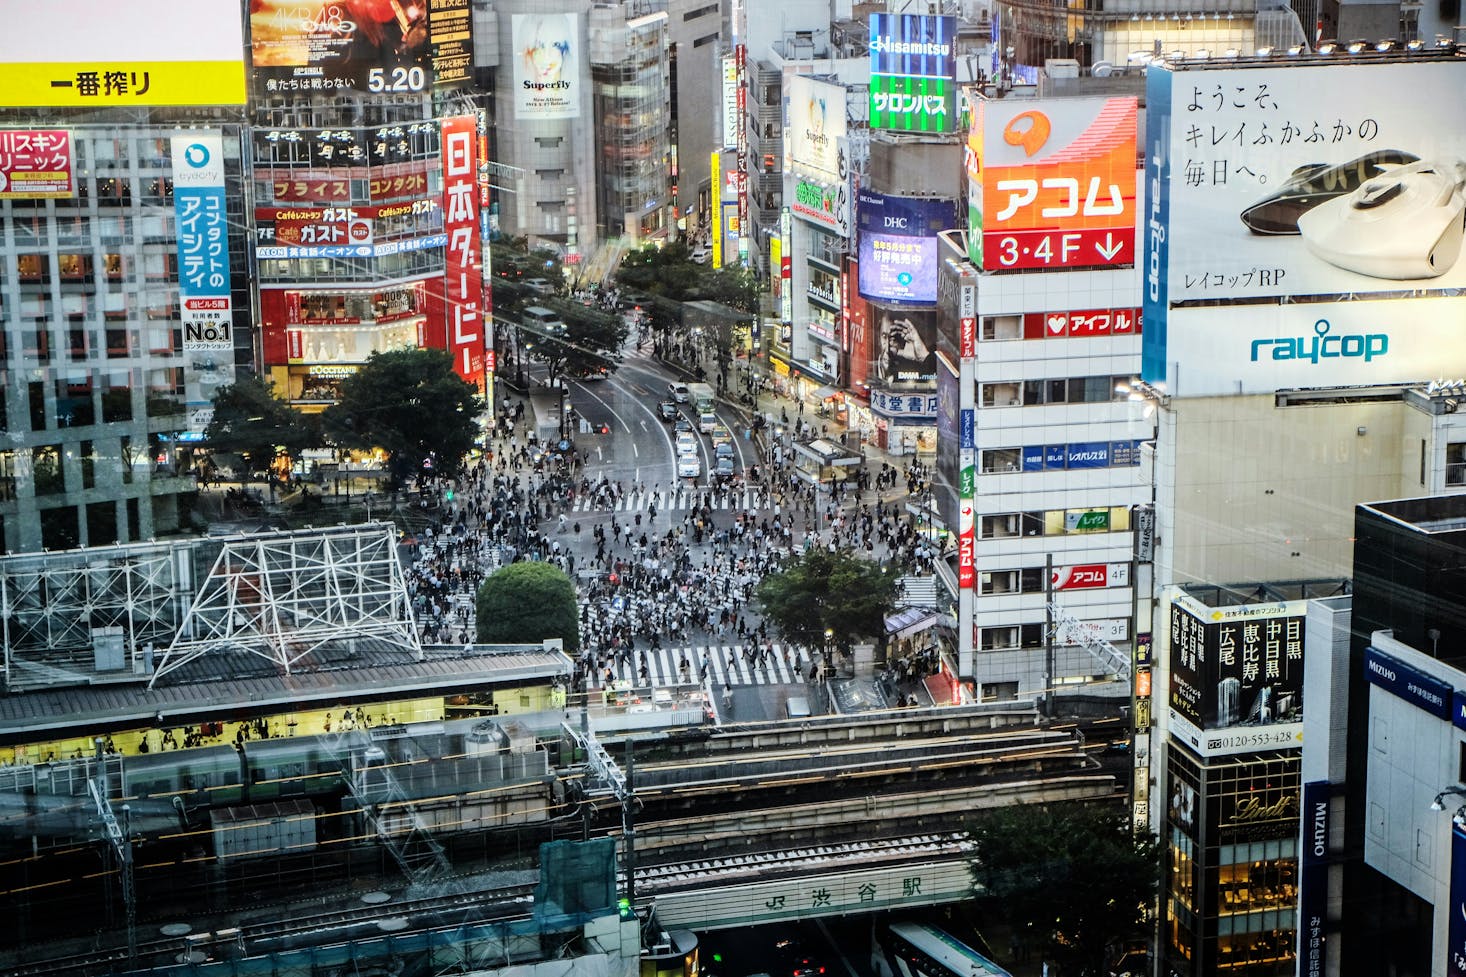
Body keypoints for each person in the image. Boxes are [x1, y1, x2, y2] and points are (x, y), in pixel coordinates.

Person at [877, 312, 937, 382]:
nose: (888, 349)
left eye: (893, 339)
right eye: (884, 337)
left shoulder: (915, 373)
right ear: (878, 338)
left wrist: (923, 356)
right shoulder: (867, 372)